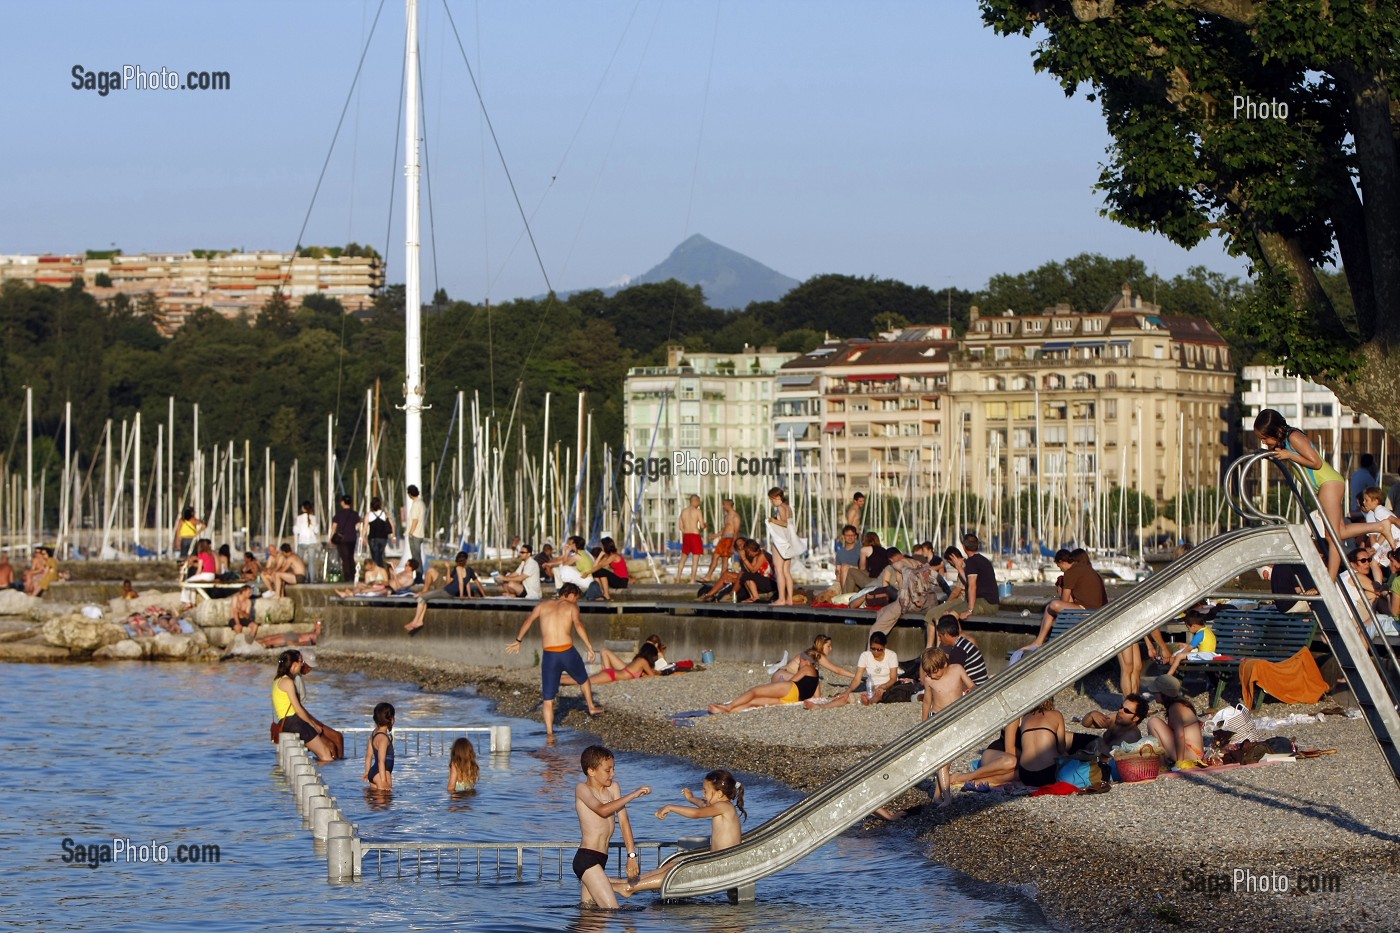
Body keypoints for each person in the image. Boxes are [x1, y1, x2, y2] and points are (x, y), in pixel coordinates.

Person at [1255, 408, 1399, 577]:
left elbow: (1315, 462)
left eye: (1264, 438)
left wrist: (1289, 455)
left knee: (1333, 537)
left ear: (1276, 431)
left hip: (1328, 483)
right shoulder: (1285, 442)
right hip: (1325, 485)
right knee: (1341, 531)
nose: (1264, 442)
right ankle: (1380, 525)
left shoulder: (1293, 437)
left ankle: (1330, 580)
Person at [614, 769, 746, 897]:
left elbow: (697, 814)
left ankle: (630, 888)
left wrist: (670, 807)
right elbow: (703, 805)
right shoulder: (721, 805)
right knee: (673, 865)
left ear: (719, 793)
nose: (703, 795)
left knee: (678, 872)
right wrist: (691, 799)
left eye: (706, 791)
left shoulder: (723, 807)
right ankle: (631, 882)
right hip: (717, 860)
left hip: (723, 864)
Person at [505, 583, 604, 736]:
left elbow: (528, 621)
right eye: (576, 598)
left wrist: (518, 641)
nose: (576, 601)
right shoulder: (571, 607)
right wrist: (590, 647)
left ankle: (550, 734)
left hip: (550, 655)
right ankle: (591, 706)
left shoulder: (543, 605)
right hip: (567, 652)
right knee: (583, 679)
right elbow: (578, 625)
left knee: (548, 699)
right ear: (570, 594)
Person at [572, 745, 649, 908]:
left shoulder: (613, 788)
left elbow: (624, 821)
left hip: (602, 859)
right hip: (586, 859)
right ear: (591, 771)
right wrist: (633, 795)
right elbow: (602, 810)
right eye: (608, 770)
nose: (612, 774)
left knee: (590, 914)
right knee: (612, 910)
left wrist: (632, 856)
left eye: (613, 769)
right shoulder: (582, 789)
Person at [919, 647, 975, 805]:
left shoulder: (957, 670)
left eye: (933, 672)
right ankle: (947, 797)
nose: (931, 676)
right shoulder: (930, 680)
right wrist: (924, 724)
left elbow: (972, 685)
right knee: (943, 759)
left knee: (948, 760)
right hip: (938, 719)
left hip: (955, 719)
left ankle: (937, 796)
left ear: (944, 664)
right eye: (928, 673)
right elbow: (927, 702)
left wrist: (973, 692)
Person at [1023, 549, 1108, 649]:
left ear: (1061, 562)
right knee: (1050, 607)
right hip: (1098, 608)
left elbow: (1064, 601)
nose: (1060, 570)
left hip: (1088, 609)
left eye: (1059, 567)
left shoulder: (1070, 572)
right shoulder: (1085, 569)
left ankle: (1038, 641)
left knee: (1053, 605)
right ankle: (1039, 641)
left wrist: (1061, 589)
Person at [272, 649, 336, 763]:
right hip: (295, 722)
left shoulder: (277, 681)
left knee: (323, 752)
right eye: (301, 661)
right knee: (326, 754)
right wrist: (312, 725)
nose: (302, 664)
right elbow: (298, 709)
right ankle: (327, 778)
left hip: (284, 722)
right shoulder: (288, 682)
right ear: (294, 664)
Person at [709, 652, 822, 713]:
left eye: (801, 661)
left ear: (807, 661)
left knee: (754, 692)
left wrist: (781, 681)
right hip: (794, 699)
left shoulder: (807, 668)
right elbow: (816, 694)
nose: (799, 664)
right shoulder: (816, 674)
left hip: (791, 689)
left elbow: (793, 680)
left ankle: (729, 706)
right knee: (754, 702)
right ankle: (725, 711)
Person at [404, 551, 486, 633]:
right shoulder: (468, 570)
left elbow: (458, 583)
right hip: (446, 590)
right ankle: (418, 621)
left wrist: (462, 594)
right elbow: (467, 583)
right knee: (424, 596)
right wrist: (482, 595)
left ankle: (416, 621)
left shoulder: (458, 569)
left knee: (421, 598)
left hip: (446, 591)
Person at [814, 631, 899, 708]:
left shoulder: (891, 655)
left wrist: (882, 687)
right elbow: (857, 679)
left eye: (879, 649)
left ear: (884, 646)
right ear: (870, 645)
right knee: (845, 697)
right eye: (873, 649)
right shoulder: (865, 656)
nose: (876, 652)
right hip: (871, 688)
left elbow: (893, 678)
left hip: (886, 686)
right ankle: (821, 706)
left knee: (878, 695)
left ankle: (869, 702)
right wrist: (847, 691)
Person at [1142, 674, 1204, 766]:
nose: (1154, 695)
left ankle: (1162, 765)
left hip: (1191, 753)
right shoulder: (1179, 704)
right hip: (1193, 751)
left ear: (1163, 694)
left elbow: (1180, 735)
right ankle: (1163, 763)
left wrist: (1180, 762)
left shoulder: (1175, 708)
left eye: (1155, 692)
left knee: (1153, 722)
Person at [1010, 697, 1066, 788]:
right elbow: (1062, 748)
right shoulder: (1057, 715)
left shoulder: (1025, 718)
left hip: (1026, 775)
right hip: (1050, 773)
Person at [765, 487, 803, 606]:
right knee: (786, 571)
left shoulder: (780, 507)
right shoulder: (788, 507)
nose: (771, 502)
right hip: (789, 542)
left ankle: (781, 599)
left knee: (779, 571)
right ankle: (789, 599)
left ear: (777, 497)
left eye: (772, 499)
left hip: (781, 543)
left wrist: (772, 520)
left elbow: (785, 523)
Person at [771, 633, 855, 684]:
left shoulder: (811, 653)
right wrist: (856, 676)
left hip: (780, 675)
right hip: (784, 676)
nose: (831, 649)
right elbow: (837, 670)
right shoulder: (817, 655)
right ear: (821, 645)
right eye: (828, 646)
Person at [1076, 693, 1149, 752]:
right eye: (1121, 707)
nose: (1120, 711)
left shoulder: (1133, 736)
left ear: (1136, 718)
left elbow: (1112, 760)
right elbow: (1086, 724)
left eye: (1126, 711)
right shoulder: (1115, 718)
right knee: (1067, 737)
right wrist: (1092, 714)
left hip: (1100, 759)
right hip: (1096, 747)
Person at [561, 643, 660, 686]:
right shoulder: (643, 661)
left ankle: (560, 677)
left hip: (612, 674)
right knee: (585, 681)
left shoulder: (639, 659)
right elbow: (651, 676)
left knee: (586, 679)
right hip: (612, 675)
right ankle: (559, 680)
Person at [1164, 610, 1217, 678]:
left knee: (1179, 656)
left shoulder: (1199, 635)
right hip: (1209, 654)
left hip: (1205, 656)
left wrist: (1176, 657)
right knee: (1182, 649)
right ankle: (1171, 663)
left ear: (1194, 626)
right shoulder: (1207, 631)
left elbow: (1188, 649)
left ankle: (1168, 676)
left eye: (1188, 627)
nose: (1188, 630)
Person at [959, 534, 1001, 616]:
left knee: (950, 613)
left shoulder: (971, 561)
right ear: (977, 545)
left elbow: (972, 586)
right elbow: (972, 582)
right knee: (950, 613)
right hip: (992, 603)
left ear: (963, 547)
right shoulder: (983, 560)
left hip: (985, 603)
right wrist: (959, 568)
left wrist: (970, 610)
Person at [703, 499, 742, 581]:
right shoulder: (726, 516)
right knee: (715, 556)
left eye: (724, 504)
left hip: (730, 539)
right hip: (723, 539)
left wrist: (733, 545)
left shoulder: (735, 517)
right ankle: (708, 576)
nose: (723, 506)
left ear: (728, 505)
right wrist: (717, 535)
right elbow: (725, 528)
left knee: (725, 560)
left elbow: (736, 532)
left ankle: (722, 578)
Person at [362, 702, 395, 794]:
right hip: (382, 773)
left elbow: (368, 755)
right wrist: (383, 781)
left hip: (373, 772)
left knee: (375, 800)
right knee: (385, 800)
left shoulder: (374, 733)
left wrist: (367, 771)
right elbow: (381, 761)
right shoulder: (383, 738)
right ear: (391, 719)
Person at [329, 495, 360, 585]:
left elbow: (334, 527)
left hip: (342, 539)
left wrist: (331, 538)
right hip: (352, 538)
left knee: (345, 558)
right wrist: (361, 536)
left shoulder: (339, 514)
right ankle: (353, 575)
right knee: (350, 556)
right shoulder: (354, 513)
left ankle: (347, 576)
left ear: (343, 502)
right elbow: (358, 526)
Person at [737, 539, 778, 603]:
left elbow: (753, 570)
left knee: (746, 575)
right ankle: (752, 597)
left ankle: (756, 597)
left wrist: (744, 559)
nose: (749, 554)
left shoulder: (762, 555)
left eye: (748, 552)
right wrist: (743, 559)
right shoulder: (756, 556)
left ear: (751, 549)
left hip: (772, 582)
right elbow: (750, 570)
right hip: (765, 580)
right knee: (746, 576)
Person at [678, 495, 707, 583]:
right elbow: (702, 525)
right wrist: (705, 525)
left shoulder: (683, 511)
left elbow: (680, 527)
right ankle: (692, 579)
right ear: (696, 501)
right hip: (695, 536)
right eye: (699, 502)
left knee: (683, 559)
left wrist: (686, 531)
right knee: (695, 560)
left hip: (686, 535)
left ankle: (678, 578)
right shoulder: (698, 511)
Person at [362, 496, 396, 569]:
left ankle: (377, 569)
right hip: (383, 538)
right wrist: (394, 536)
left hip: (373, 538)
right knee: (380, 554)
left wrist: (363, 537)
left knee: (375, 555)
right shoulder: (385, 514)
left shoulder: (369, 515)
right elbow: (392, 525)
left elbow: (365, 528)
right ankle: (382, 569)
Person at [293, 500, 320, 584]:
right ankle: (311, 579)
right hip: (312, 541)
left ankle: (300, 577)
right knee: (311, 562)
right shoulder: (314, 518)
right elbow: (316, 530)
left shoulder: (299, 518)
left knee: (299, 561)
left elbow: (296, 530)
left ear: (304, 508)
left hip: (302, 541)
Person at [404, 485, 427, 583]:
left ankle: (419, 576)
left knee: (416, 557)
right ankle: (418, 575)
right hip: (420, 533)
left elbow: (415, 520)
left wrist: (410, 532)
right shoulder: (421, 503)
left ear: (410, 494)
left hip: (415, 534)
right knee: (417, 556)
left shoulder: (415, 504)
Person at [833, 524, 861, 589]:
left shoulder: (861, 550)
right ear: (843, 536)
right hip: (842, 580)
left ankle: (844, 594)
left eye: (852, 535)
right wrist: (837, 572)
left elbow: (864, 569)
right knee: (827, 594)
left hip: (857, 580)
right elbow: (837, 569)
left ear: (855, 536)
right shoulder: (840, 552)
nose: (850, 537)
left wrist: (849, 567)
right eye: (848, 535)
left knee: (845, 567)